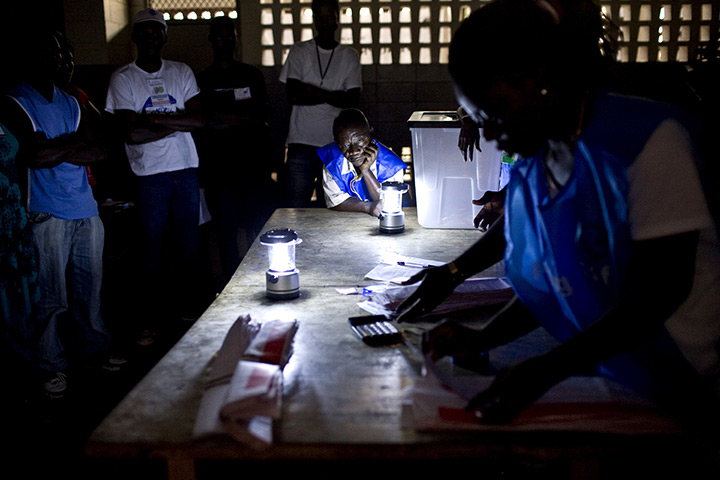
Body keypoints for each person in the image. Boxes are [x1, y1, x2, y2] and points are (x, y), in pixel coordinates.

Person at [396, 0, 720, 429]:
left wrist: (547, 369)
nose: (490, 133)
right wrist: (482, 337)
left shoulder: (648, 144)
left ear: (541, 80)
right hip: (621, 379)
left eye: (492, 113)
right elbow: (559, 282)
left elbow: (658, 292)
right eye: (478, 119)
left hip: (692, 389)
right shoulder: (536, 164)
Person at [1, 30, 112, 396]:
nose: (65, 58)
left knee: (90, 292)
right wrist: (77, 143)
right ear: (36, 56)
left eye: (68, 51)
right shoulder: (17, 100)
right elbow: (34, 157)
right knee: (51, 298)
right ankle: (50, 366)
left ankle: (94, 355)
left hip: (86, 209)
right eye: (55, 52)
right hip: (46, 214)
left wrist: (61, 146)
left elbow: (102, 150)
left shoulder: (71, 101)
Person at [105, 8, 205, 345]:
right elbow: (130, 135)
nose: (150, 38)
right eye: (144, 32)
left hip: (186, 172)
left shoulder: (181, 71)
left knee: (188, 249)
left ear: (164, 36)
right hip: (150, 176)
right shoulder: (123, 78)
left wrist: (153, 121)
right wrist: (177, 119)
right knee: (150, 252)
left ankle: (187, 314)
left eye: (156, 32)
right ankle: (146, 321)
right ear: (134, 36)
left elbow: (200, 121)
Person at [195, 15, 274, 286]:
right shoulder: (203, 78)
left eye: (229, 34)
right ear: (210, 39)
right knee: (226, 231)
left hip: (253, 168)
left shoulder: (251, 74)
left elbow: (261, 117)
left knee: (255, 226)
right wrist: (239, 117)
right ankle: (232, 285)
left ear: (235, 37)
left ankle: (260, 277)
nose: (224, 39)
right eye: (219, 35)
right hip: (219, 171)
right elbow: (202, 122)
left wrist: (222, 118)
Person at [279, 0, 362, 207]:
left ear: (336, 19)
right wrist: (335, 96)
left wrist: (310, 89)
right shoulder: (299, 51)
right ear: (314, 21)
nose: (325, 22)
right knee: (296, 208)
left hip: (335, 144)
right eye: (320, 17)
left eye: (329, 16)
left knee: (333, 206)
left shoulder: (349, 56)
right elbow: (293, 96)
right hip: (301, 141)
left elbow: (351, 100)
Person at [317, 108, 405, 217]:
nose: (354, 151)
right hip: (347, 222)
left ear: (370, 133)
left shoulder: (391, 165)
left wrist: (366, 171)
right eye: (345, 145)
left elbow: (385, 205)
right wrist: (368, 207)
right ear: (336, 142)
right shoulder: (332, 160)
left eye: (359, 141)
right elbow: (335, 201)